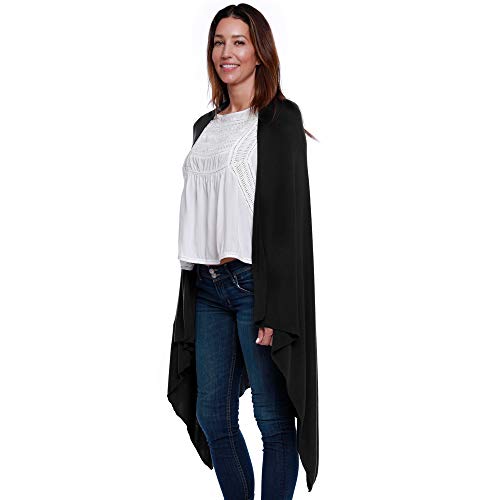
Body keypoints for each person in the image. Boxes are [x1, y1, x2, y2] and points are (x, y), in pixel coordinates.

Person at [168, 4, 319, 499]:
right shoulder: (204, 127)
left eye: (239, 41)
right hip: (207, 288)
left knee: (273, 420)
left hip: (257, 287)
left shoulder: (279, 120)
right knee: (213, 415)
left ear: (259, 52)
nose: (226, 52)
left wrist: (277, 307)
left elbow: (288, 223)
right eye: (219, 42)